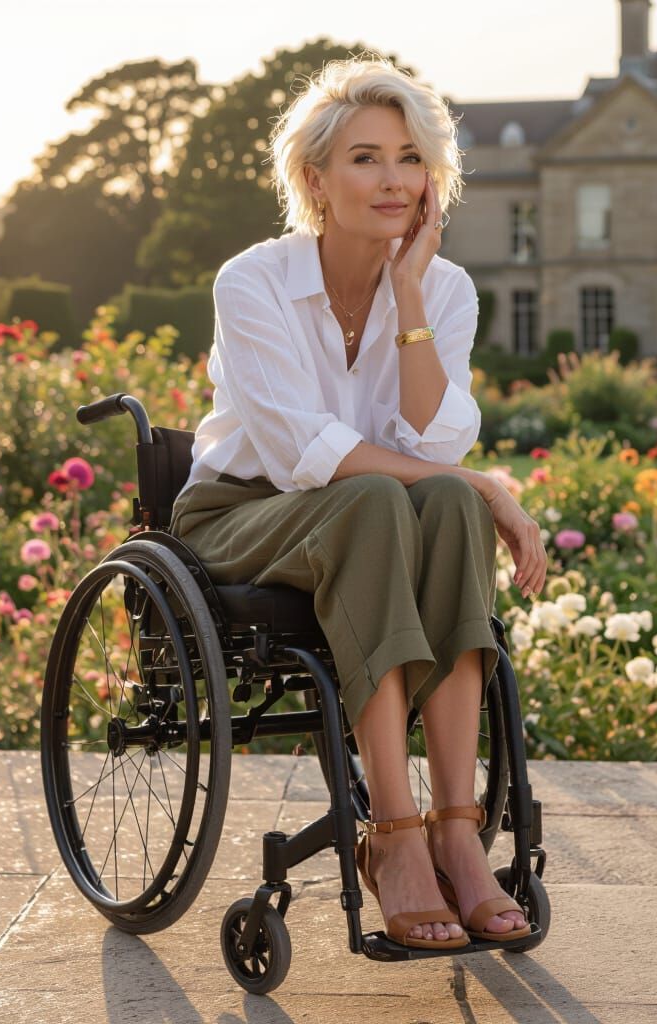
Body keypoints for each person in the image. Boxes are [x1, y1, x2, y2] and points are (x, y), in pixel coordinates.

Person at [170, 53, 547, 950]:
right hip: (240, 513)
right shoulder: (252, 281)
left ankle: (456, 831)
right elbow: (306, 453)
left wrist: (409, 291)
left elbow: (433, 442)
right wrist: (482, 484)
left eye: (412, 159)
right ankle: (394, 835)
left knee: (444, 507)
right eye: (368, 157)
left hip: (370, 517)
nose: (393, 179)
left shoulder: (445, 290)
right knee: (400, 497)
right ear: (315, 178)